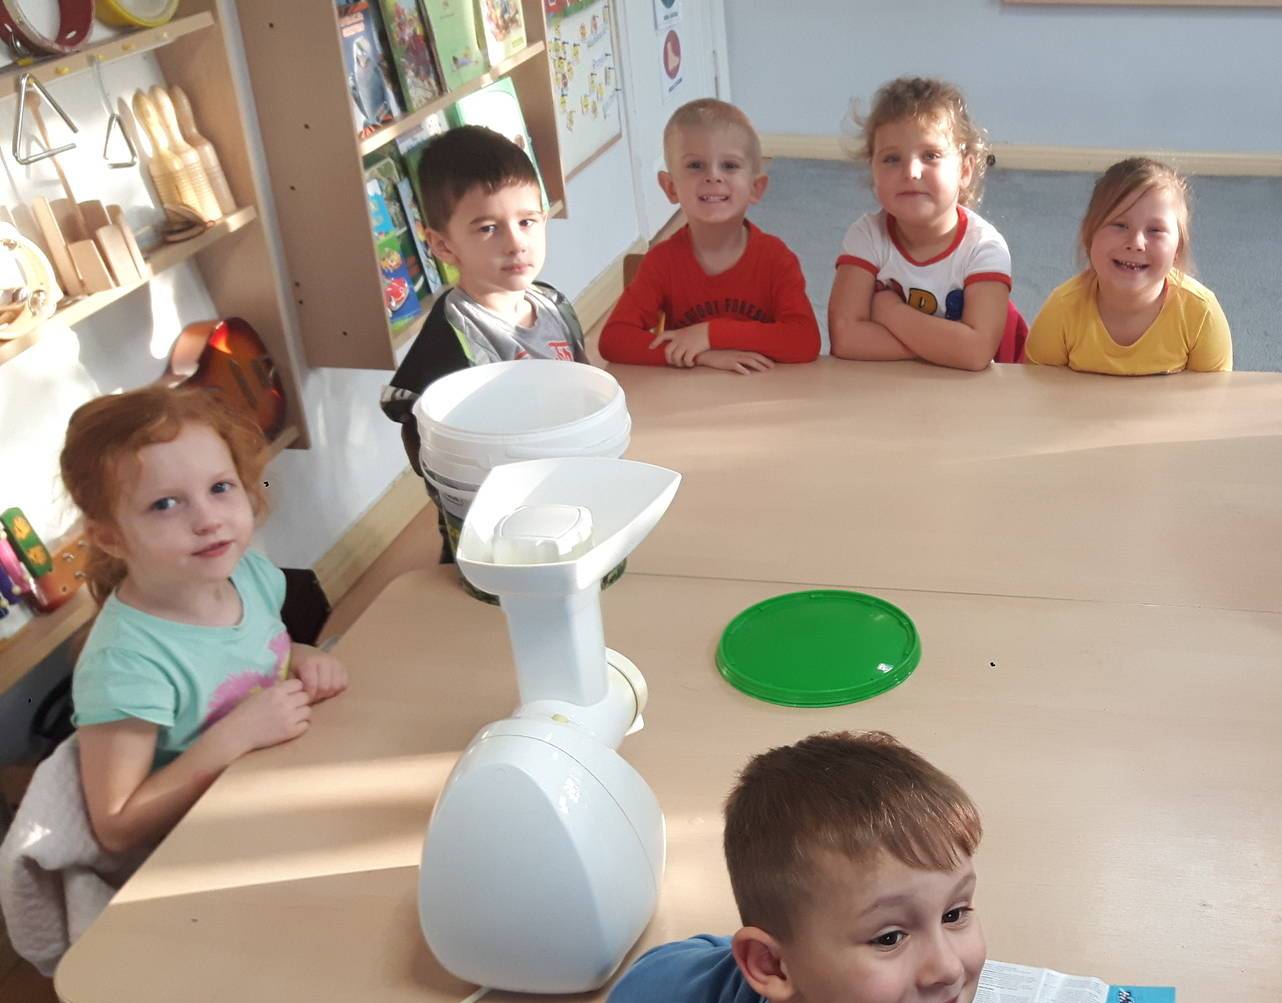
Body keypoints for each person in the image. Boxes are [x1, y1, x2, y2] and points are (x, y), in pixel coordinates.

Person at [603, 730, 1223, 1003]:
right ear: (770, 965)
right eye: (889, 937)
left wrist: (790, 951)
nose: (947, 967)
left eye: (955, 914)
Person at [60, 387, 346, 854]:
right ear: (110, 537)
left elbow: (250, 658)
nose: (208, 519)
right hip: (207, 848)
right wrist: (236, 736)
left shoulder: (248, 575)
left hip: (283, 793)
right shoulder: (125, 664)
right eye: (165, 504)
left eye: (219, 488)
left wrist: (301, 656)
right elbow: (117, 828)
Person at [379, 124, 587, 561]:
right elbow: (415, 420)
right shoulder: (453, 335)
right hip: (492, 522)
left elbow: (584, 386)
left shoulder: (553, 305)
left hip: (565, 489)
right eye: (489, 228)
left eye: (527, 222)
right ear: (443, 246)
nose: (516, 243)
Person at [600, 98, 820, 371]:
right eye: (695, 165)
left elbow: (804, 340)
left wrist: (710, 334)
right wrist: (701, 355)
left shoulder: (776, 259)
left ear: (756, 187)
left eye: (729, 165)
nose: (713, 176)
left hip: (762, 389)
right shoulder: (662, 262)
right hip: (690, 391)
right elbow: (614, 339)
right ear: (670, 187)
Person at [827, 77, 1022, 370]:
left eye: (931, 155)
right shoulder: (866, 235)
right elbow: (845, 338)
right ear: (873, 170)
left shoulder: (984, 247)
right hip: (891, 385)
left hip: (974, 391)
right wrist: (944, 347)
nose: (911, 172)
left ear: (964, 170)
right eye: (892, 159)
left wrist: (890, 312)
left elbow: (975, 352)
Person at [1025, 157, 1231, 376]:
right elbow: (1036, 386)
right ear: (1089, 235)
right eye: (1120, 225)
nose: (1136, 243)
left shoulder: (1201, 313)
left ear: (1178, 247)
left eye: (1155, 230)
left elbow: (1213, 394)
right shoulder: (1062, 308)